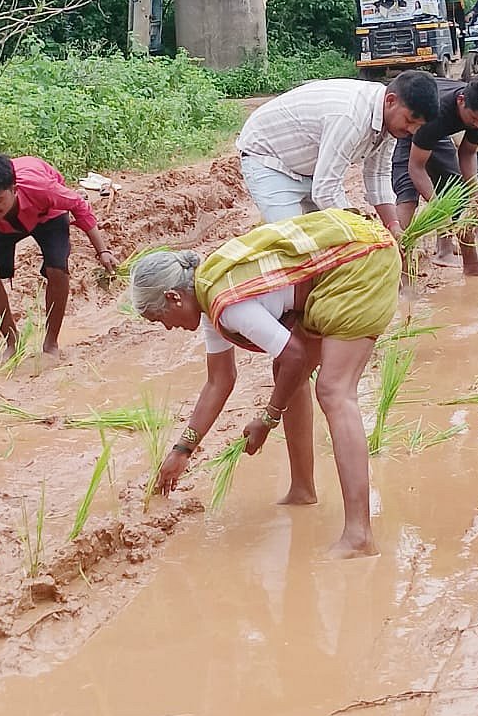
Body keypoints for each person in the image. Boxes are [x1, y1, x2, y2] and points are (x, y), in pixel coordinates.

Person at [131, 209, 401, 558]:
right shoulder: (210, 293)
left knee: (334, 391)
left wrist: (268, 419)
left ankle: (360, 535)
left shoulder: (227, 305)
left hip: (359, 263)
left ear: (173, 297)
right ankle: (303, 490)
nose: (165, 327)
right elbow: (220, 381)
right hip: (342, 262)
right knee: (285, 374)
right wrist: (182, 451)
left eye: (158, 318)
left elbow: (296, 356)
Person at [0, 153, 118, 373]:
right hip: (2, 228)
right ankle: (12, 342)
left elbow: (77, 204)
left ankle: (51, 342)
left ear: (14, 189)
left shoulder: (42, 189)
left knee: (58, 269)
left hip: (47, 215)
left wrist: (103, 251)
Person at [236, 72, 439, 237]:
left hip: (311, 170)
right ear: (391, 101)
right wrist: (363, 229)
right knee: (294, 242)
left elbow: (377, 175)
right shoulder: (350, 117)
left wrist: (393, 226)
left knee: (328, 243)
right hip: (269, 159)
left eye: (418, 127)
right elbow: (326, 190)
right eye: (410, 120)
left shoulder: (390, 123)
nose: (412, 131)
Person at [391, 76, 478, 272]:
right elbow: (416, 168)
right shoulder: (437, 114)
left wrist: (475, 192)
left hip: (438, 133)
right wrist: (437, 205)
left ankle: (468, 263)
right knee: (408, 195)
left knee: (456, 191)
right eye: (474, 119)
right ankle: (399, 268)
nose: (477, 126)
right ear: (461, 100)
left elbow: (468, 152)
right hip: (410, 128)